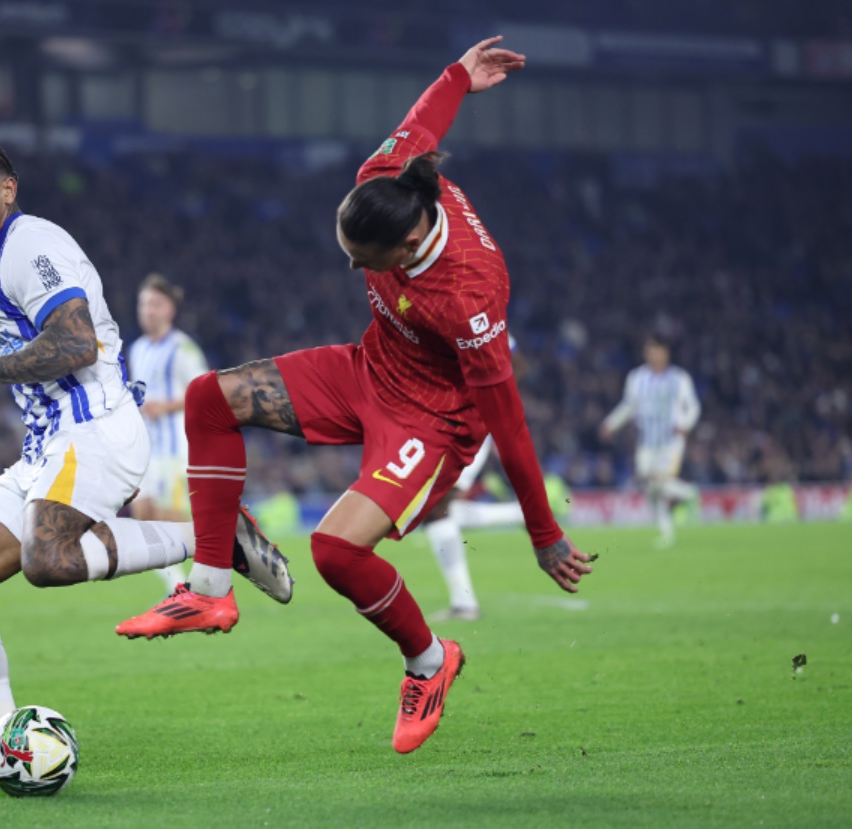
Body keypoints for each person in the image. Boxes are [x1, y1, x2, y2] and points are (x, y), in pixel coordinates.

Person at [116, 38, 592, 755]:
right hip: (367, 368)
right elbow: (424, 119)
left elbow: (509, 421)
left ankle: (431, 660)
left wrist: (543, 529)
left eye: (359, 260)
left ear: (404, 250)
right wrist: (459, 75)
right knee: (210, 397)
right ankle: (211, 586)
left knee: (335, 550)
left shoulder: (469, 294)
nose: (349, 265)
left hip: (430, 420)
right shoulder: (387, 177)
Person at [0, 140, 293, 785]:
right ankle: (3, 743)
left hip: (91, 431)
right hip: (47, 448)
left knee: (48, 560)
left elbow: (75, 341)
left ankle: (217, 537)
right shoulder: (4, 259)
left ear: (8, 190)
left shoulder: (30, 244)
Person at [422, 335, 524, 622]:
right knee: (434, 510)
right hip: (444, 423)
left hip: (472, 426)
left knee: (436, 505)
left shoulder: (480, 322)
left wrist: (495, 402)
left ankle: (464, 604)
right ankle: (517, 514)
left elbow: (518, 363)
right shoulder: (434, 320)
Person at [127, 273, 210, 594]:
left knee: (169, 518)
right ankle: (177, 583)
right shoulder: (137, 349)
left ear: (169, 310)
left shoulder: (183, 348)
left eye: (155, 304)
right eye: (144, 303)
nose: (149, 310)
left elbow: (205, 392)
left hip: (177, 448)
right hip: (147, 447)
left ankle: (203, 577)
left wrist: (167, 406)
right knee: (142, 513)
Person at [599, 332, 701, 548]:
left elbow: (693, 406)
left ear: (666, 353)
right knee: (649, 485)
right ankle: (668, 529)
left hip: (671, 441)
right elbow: (629, 406)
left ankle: (689, 494)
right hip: (647, 442)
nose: (653, 355)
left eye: (657, 350)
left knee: (659, 481)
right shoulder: (637, 378)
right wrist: (611, 423)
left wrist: (685, 425)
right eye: (649, 351)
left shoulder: (679, 378)